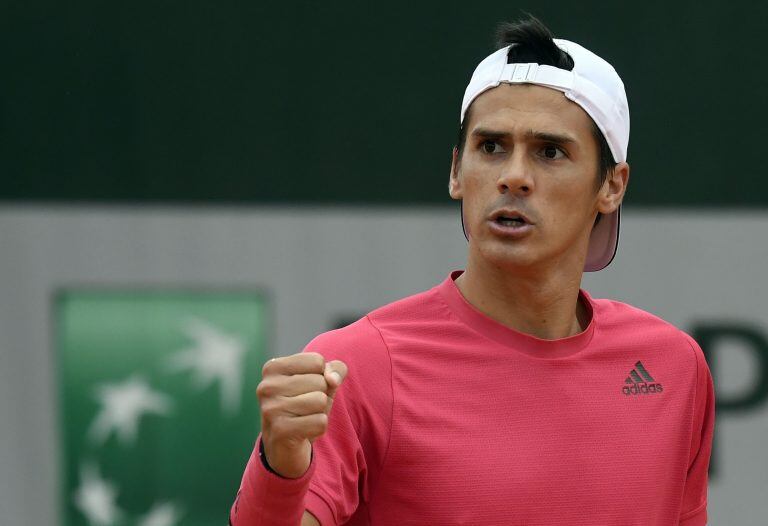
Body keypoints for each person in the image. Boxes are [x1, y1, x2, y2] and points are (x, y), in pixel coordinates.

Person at [229, 15, 715, 526]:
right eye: (491, 147)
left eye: (550, 152)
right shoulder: (357, 366)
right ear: (457, 171)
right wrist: (281, 467)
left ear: (612, 186)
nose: (514, 177)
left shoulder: (674, 367)